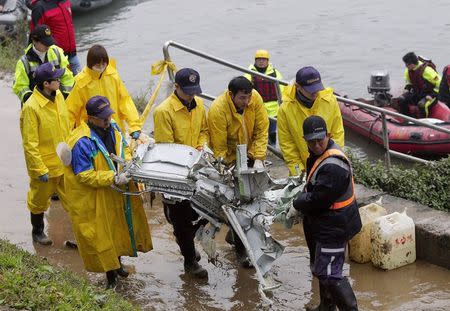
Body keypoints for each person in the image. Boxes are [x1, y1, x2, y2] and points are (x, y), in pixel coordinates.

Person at [64, 95, 152, 289]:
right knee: (104, 237)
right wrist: (112, 178)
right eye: (104, 117)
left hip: (116, 192)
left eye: (109, 115)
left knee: (118, 229)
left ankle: (118, 263)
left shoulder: (113, 128)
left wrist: (128, 163)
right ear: (91, 118)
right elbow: (83, 175)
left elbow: (124, 149)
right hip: (97, 197)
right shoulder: (82, 142)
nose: (108, 120)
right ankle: (110, 276)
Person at [286, 115, 361, 311]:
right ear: (305, 140)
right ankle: (326, 307)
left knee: (328, 272)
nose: (317, 145)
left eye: (320, 140)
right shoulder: (320, 154)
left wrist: (297, 203)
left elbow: (318, 199)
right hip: (328, 222)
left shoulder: (333, 166)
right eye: (312, 142)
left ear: (328, 135)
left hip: (335, 225)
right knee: (323, 266)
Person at [153, 68, 209, 278]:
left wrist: (202, 147)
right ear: (176, 87)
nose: (191, 96)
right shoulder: (163, 112)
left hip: (197, 168)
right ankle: (189, 262)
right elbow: (166, 149)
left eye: (194, 91)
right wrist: (188, 159)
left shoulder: (199, 105)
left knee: (201, 215)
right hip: (175, 173)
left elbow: (203, 130)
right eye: (187, 92)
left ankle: (185, 241)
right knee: (181, 219)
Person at [207, 76, 269, 267]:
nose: (246, 101)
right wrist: (229, 171)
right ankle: (241, 251)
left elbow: (261, 129)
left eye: (248, 97)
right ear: (231, 95)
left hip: (250, 154)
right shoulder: (218, 110)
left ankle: (236, 236)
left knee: (255, 200)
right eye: (242, 98)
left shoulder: (255, 99)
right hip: (230, 159)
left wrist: (258, 158)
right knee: (236, 204)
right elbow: (219, 147)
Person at [19, 62, 70, 245]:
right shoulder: (31, 108)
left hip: (63, 162)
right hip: (45, 166)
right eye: (56, 79)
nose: (59, 80)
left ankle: (73, 237)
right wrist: (39, 169)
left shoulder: (59, 98)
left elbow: (66, 127)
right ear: (46, 84)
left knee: (73, 201)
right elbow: (30, 144)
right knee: (38, 201)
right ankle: (38, 231)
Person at [277, 66, 344, 176]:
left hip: (329, 163)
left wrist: (332, 161)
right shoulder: (285, 109)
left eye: (317, 88)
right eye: (311, 89)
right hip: (303, 169)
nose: (315, 92)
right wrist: (299, 173)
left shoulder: (330, 101)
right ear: (298, 87)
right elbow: (287, 144)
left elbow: (337, 133)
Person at [66, 44, 142, 139]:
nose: (101, 67)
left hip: (115, 128)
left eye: (104, 64)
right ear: (90, 64)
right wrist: (67, 136)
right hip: (91, 133)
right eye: (97, 65)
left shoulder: (113, 75)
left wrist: (134, 126)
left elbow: (125, 101)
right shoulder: (81, 82)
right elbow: (70, 111)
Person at [13, 24, 74, 105]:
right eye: (44, 43)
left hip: (57, 101)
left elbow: (67, 76)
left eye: (49, 42)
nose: (48, 46)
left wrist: (65, 95)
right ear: (34, 41)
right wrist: (33, 101)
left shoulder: (57, 52)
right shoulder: (24, 62)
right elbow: (20, 87)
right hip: (34, 106)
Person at [29, 0, 81, 75]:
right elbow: (34, 34)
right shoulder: (39, 8)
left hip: (72, 54)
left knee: (79, 84)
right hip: (54, 59)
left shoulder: (65, 1)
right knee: (58, 85)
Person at [244, 49, 283, 145]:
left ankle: (272, 149)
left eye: (264, 59)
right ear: (255, 61)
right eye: (259, 59)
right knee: (258, 132)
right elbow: (244, 89)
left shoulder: (275, 73)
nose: (261, 62)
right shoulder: (249, 73)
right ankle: (257, 149)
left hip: (273, 111)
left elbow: (282, 90)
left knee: (272, 134)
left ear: (267, 61)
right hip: (257, 109)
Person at [398, 52, 441, 117]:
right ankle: (406, 118)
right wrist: (407, 89)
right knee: (401, 99)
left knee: (422, 105)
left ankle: (423, 123)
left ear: (412, 64)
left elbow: (439, 84)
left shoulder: (427, 71)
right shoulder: (408, 70)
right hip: (418, 93)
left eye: (406, 64)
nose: (406, 66)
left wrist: (432, 95)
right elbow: (408, 82)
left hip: (430, 95)